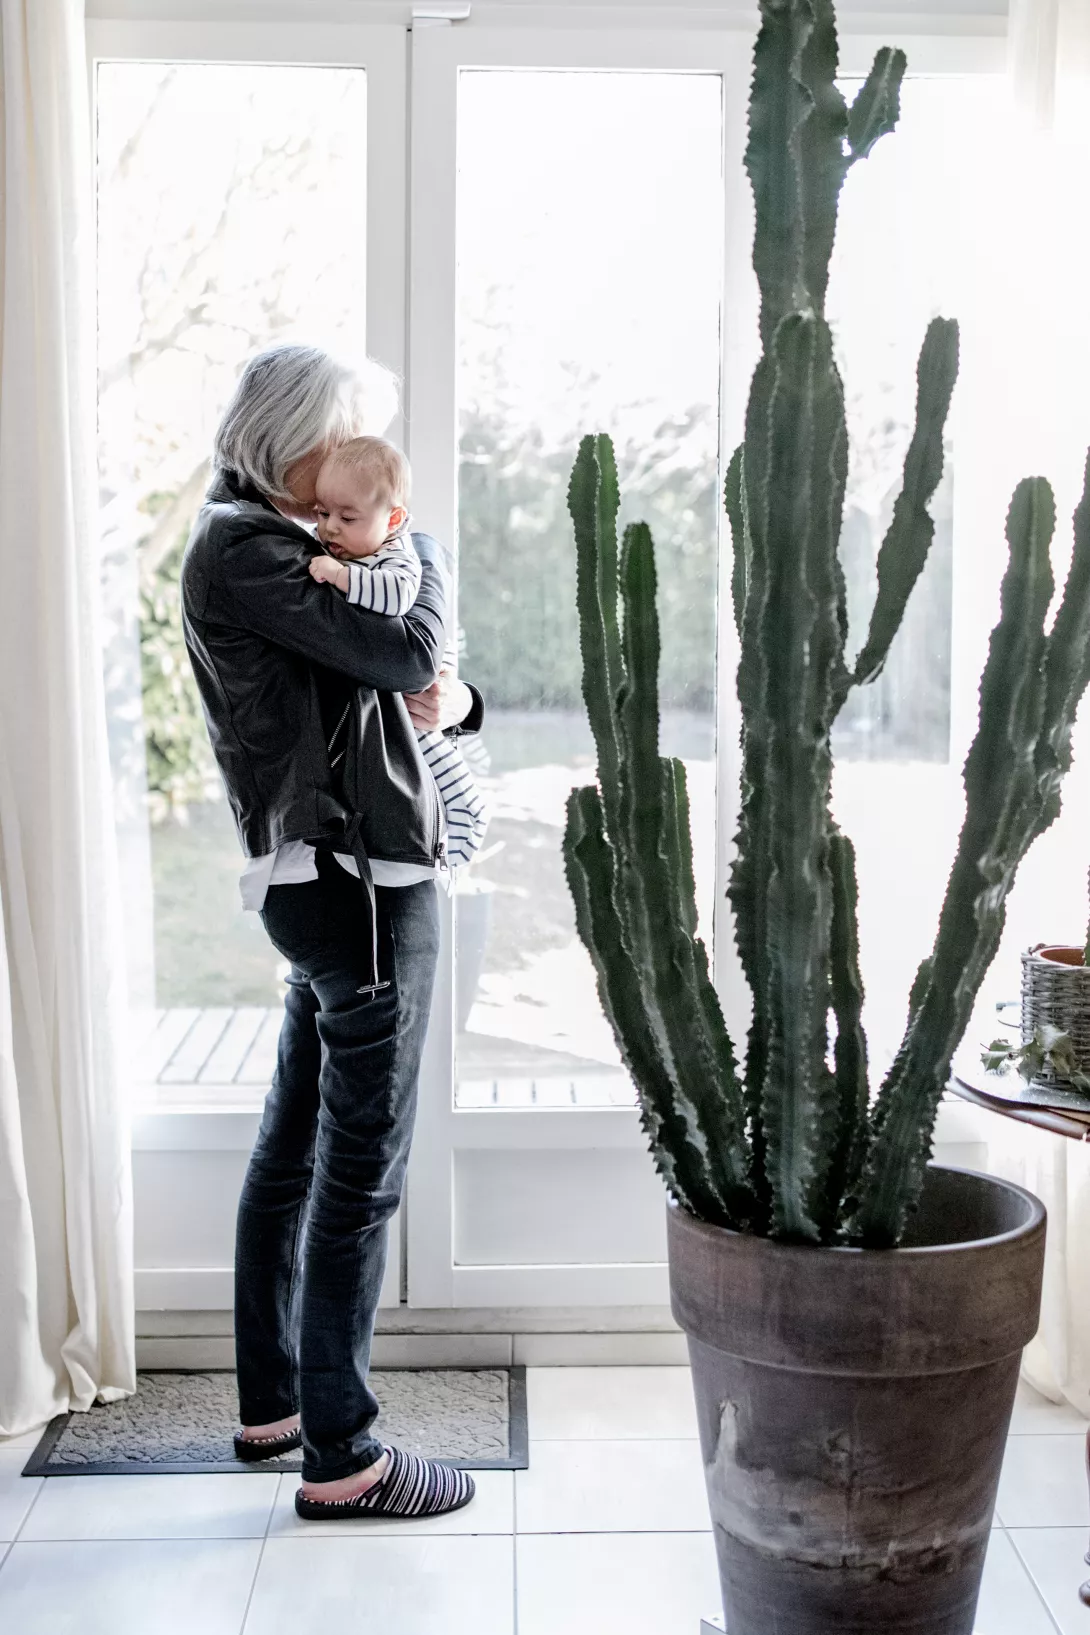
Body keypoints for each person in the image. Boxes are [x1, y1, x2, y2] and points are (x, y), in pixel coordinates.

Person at [180, 343, 482, 1520]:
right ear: (287, 437)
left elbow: (412, 687)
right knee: (359, 1168)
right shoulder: (254, 548)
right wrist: (419, 547)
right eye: (341, 442)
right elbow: (405, 647)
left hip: (329, 874)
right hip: (356, 880)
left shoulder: (283, 546)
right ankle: (345, 1457)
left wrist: (447, 691)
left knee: (298, 1145)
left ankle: (276, 1405)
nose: (351, 473)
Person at [308, 435, 488, 871]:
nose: (330, 527)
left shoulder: (398, 557)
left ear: (394, 519)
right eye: (322, 513)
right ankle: (439, 847)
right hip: (395, 710)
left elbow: (395, 597)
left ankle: (451, 848)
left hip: (419, 710)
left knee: (451, 785)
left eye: (347, 517)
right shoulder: (351, 548)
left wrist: (339, 576)